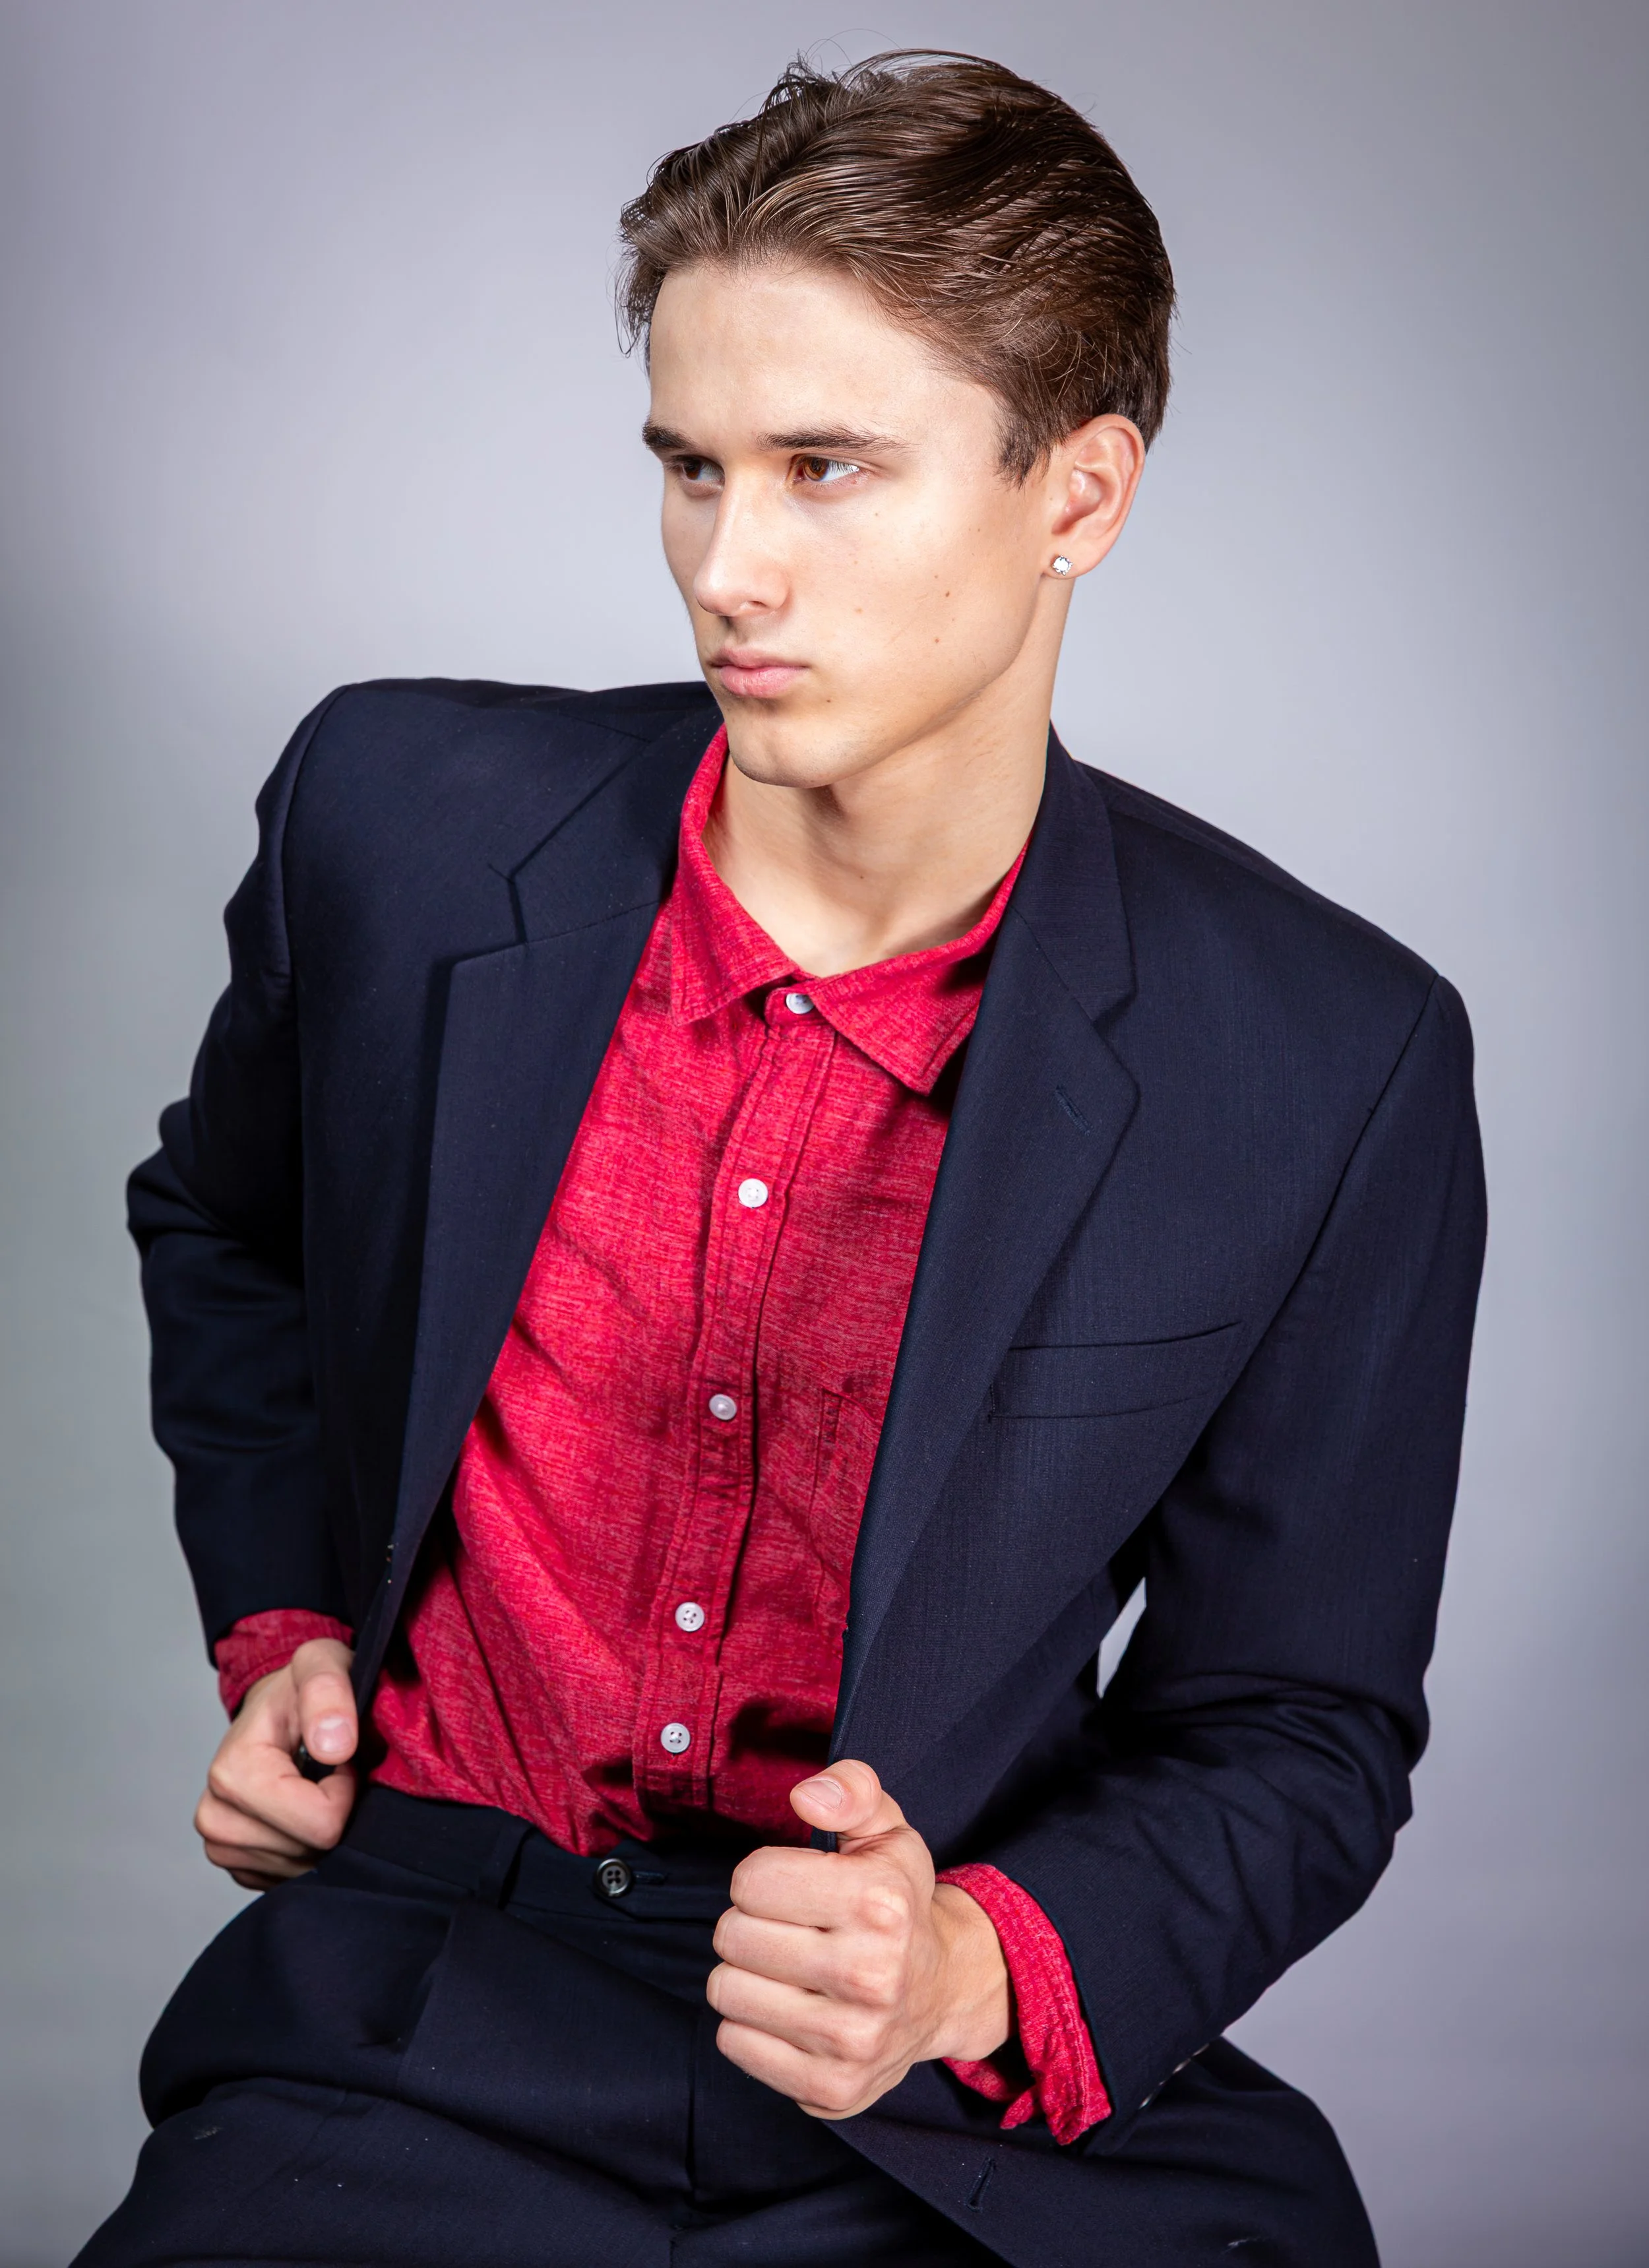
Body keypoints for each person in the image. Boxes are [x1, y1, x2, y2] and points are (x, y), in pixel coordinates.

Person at [78, 49, 1485, 2268]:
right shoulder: (396, 822)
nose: (729, 569)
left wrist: (982, 1967)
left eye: (826, 469)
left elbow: (1294, 1715)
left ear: (1079, 492)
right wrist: (279, 1622)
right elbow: (226, 1225)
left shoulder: (1325, 1054)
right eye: (691, 468)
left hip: (935, 2072)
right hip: (430, 1988)